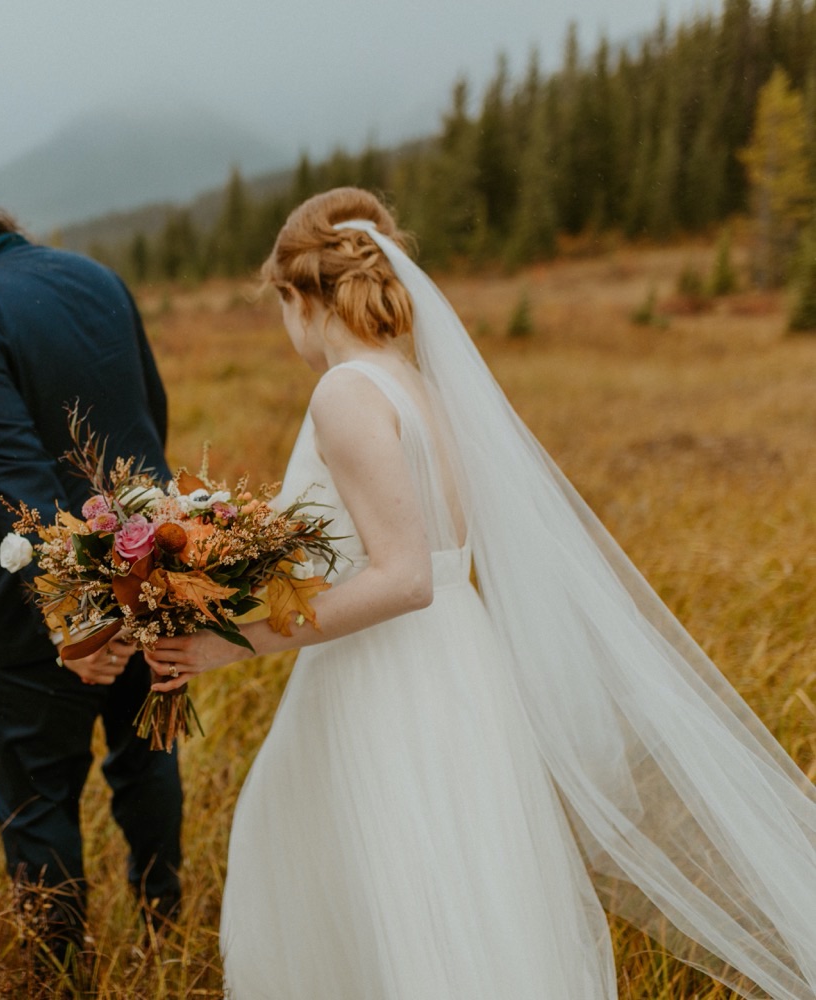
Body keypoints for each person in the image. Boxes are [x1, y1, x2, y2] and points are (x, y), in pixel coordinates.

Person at [145, 187, 816, 999]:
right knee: (462, 897)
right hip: (461, 671)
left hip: (388, 685)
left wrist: (224, 644)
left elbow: (403, 578)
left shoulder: (347, 393)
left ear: (300, 295)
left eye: (279, 306)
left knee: (398, 905)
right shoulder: (418, 384)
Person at [0, 173, 183, 972]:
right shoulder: (94, 275)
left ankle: (58, 975)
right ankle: (169, 936)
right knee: (148, 763)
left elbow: (16, 475)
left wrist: (80, 620)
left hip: (42, 615)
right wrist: (136, 567)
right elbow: (147, 416)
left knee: (36, 796)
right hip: (149, 564)